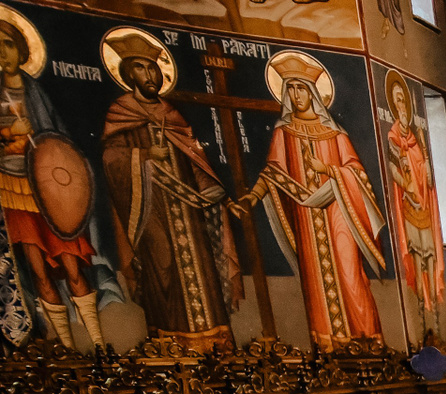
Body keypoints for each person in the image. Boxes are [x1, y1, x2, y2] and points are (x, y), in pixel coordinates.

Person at [232, 51, 387, 350]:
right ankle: (328, 345)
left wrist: (329, 170)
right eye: (290, 88)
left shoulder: (334, 133)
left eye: (301, 88)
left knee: (351, 275)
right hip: (306, 218)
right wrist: (253, 196)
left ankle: (367, 339)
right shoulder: (284, 132)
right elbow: (273, 172)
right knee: (316, 280)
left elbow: (357, 174)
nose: (296, 95)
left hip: (339, 212)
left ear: (313, 92)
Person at [100, 28, 239, 350]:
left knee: (203, 269)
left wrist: (216, 196)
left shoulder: (172, 114)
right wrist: (145, 155)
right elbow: (111, 160)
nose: (149, 75)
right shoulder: (121, 111)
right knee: (162, 267)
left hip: (189, 214)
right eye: (140, 68)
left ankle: (215, 341)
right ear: (128, 73)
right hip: (150, 210)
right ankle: (171, 343)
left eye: (152, 67)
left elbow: (196, 162)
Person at [0, 15, 113, 348]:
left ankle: (98, 345)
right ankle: (68, 349)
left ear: (21, 50)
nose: (2, 54)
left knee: (73, 268)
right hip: (12, 189)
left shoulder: (37, 92)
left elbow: (59, 140)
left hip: (51, 188)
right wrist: (8, 133)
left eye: (7, 45)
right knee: (38, 273)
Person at [378, 71, 444, 331]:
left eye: (403, 101)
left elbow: (428, 175)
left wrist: (425, 169)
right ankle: (421, 311)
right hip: (409, 204)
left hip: (424, 204)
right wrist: (407, 184)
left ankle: (434, 312)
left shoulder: (417, 138)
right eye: (397, 101)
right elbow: (394, 169)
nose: (402, 106)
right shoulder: (394, 137)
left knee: (431, 256)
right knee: (417, 255)